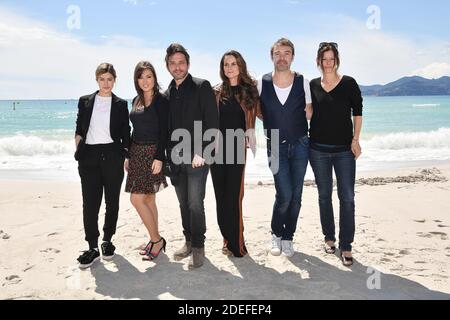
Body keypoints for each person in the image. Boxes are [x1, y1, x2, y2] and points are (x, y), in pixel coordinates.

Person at [165, 43, 219, 269]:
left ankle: (198, 248)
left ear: (188, 64)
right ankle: (188, 241)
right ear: (167, 65)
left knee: (196, 203)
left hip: (198, 157)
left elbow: (213, 122)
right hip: (175, 159)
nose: (177, 67)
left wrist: (203, 152)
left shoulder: (201, 86)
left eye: (181, 62)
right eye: (173, 63)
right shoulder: (166, 94)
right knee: (182, 203)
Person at [309, 42, 363, 267]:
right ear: (319, 61)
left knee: (347, 198)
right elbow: (308, 112)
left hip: (343, 151)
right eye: (324, 59)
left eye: (331, 58)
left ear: (336, 60)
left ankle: (346, 245)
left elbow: (358, 112)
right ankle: (329, 238)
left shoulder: (349, 83)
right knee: (324, 196)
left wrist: (356, 140)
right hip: (318, 149)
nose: (328, 63)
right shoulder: (312, 85)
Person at [258, 38, 313, 257]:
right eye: (278, 53)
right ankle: (276, 233)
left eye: (286, 53)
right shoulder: (262, 82)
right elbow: (257, 110)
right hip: (275, 146)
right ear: (271, 56)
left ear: (292, 56)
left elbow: (309, 111)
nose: (282, 57)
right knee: (284, 194)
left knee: (297, 195)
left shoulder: (303, 82)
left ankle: (288, 236)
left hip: (300, 144)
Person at [74, 63, 130, 269]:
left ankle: (107, 241)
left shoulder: (121, 104)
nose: (106, 83)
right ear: (97, 80)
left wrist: (126, 155)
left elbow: (126, 133)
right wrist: (79, 151)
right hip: (89, 157)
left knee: (112, 202)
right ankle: (92, 246)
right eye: (102, 79)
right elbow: (79, 128)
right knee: (90, 204)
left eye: (109, 79)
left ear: (114, 80)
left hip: (113, 156)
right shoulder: (85, 101)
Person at [211, 50, 260, 258]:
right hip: (215, 150)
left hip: (237, 149)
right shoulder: (216, 91)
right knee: (220, 198)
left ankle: (237, 243)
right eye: (226, 65)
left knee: (234, 197)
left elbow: (267, 113)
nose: (229, 68)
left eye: (233, 63)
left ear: (240, 65)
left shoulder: (249, 91)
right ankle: (226, 239)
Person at [124, 61, 168, 261]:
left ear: (154, 78)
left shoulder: (161, 100)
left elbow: (165, 131)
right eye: (141, 77)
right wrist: (127, 155)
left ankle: (156, 239)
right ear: (136, 80)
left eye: (149, 76)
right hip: (136, 152)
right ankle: (154, 239)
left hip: (152, 153)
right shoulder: (135, 99)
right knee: (148, 198)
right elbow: (134, 130)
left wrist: (160, 156)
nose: (145, 80)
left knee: (136, 199)